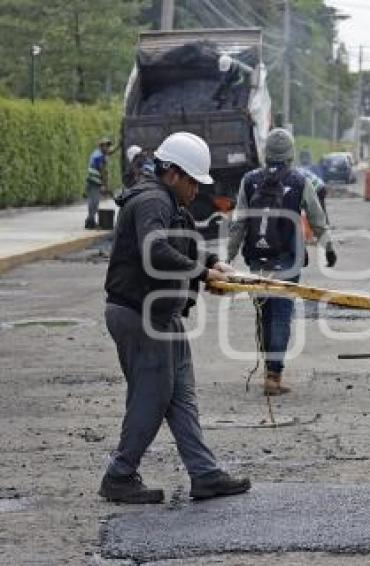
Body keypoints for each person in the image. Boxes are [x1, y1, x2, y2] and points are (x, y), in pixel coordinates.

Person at [100, 131, 251, 504]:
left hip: (163, 313)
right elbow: (157, 248)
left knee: (181, 394)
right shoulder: (152, 200)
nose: (197, 191)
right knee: (152, 396)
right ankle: (119, 475)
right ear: (174, 173)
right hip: (140, 313)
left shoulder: (168, 200)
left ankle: (204, 474)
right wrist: (200, 274)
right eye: (193, 182)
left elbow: (183, 240)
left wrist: (214, 263)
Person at [227, 128, 337, 396]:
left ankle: (268, 370)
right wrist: (328, 248)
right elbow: (317, 218)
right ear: (290, 154)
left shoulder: (249, 180)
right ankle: (274, 376)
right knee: (281, 316)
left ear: (267, 154)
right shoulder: (300, 181)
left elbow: (239, 222)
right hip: (288, 261)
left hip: (257, 260)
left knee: (264, 313)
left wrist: (227, 257)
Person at [85, 138, 114, 229]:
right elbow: (103, 172)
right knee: (94, 201)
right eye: (106, 146)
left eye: (109, 146)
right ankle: (90, 222)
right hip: (95, 181)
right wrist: (105, 186)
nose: (108, 148)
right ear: (101, 146)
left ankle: (90, 220)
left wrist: (119, 146)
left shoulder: (97, 153)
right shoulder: (99, 157)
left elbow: (109, 153)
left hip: (92, 180)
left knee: (93, 201)